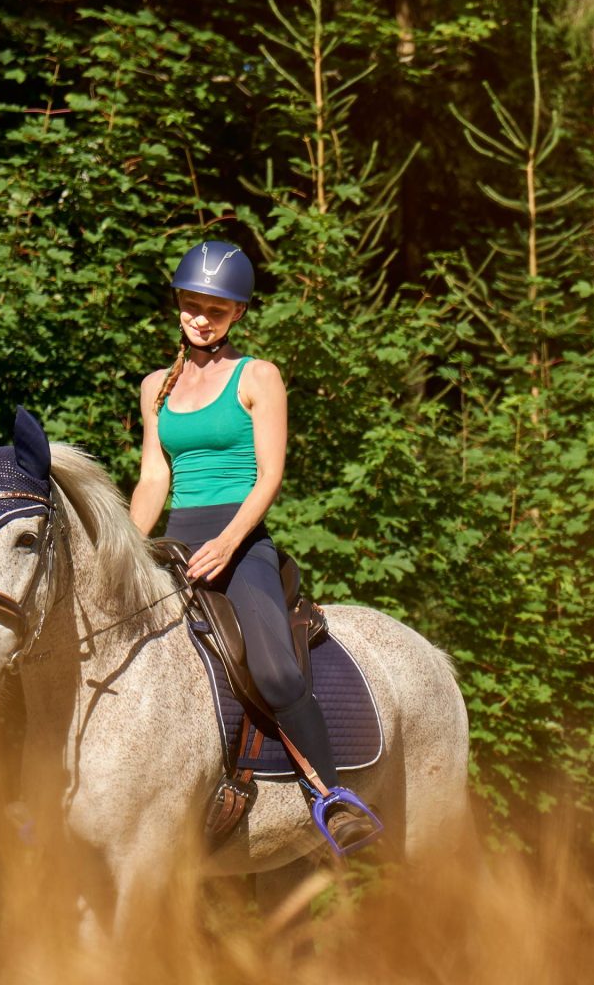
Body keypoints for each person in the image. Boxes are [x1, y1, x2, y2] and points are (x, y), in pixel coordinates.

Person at [130, 239, 378, 853]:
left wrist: (228, 541)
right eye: (192, 303)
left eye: (215, 308)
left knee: (272, 666)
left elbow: (269, 476)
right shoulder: (155, 387)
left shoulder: (258, 376)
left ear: (237, 313)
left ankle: (333, 796)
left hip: (239, 543)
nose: (200, 317)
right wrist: (128, 548)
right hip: (173, 541)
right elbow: (154, 477)